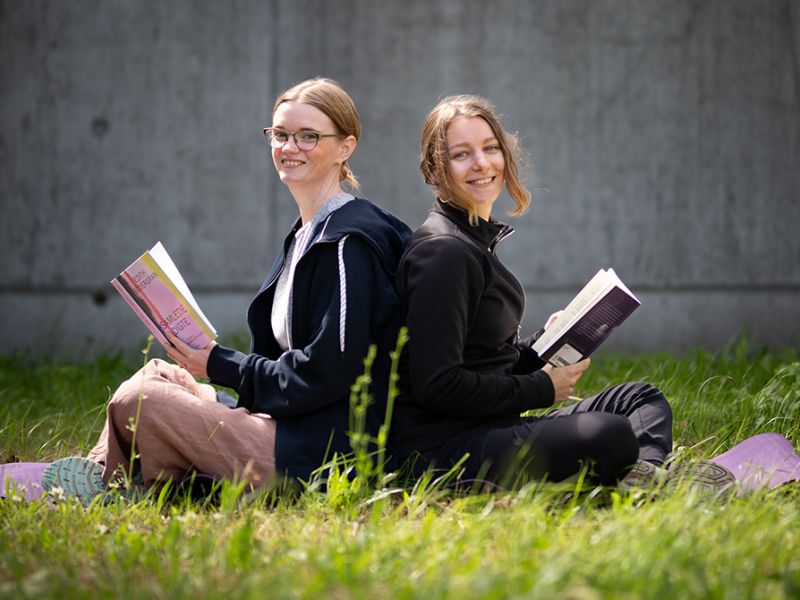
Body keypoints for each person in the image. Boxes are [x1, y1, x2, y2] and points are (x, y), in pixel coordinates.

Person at [42, 77, 412, 504]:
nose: (290, 147)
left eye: (309, 137)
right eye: (280, 134)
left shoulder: (347, 244)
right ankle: (99, 478)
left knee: (141, 399)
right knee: (158, 374)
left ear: (345, 148)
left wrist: (220, 363)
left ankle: (107, 485)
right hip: (286, 422)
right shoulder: (307, 233)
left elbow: (331, 372)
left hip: (318, 454)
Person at [390, 95, 733, 490]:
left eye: (490, 148)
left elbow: (482, 362)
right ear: (435, 169)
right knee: (608, 434)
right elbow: (439, 385)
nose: (482, 163)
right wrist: (543, 387)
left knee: (641, 399)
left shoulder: (470, 241)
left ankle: (643, 480)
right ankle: (645, 477)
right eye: (462, 154)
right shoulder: (442, 253)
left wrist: (540, 347)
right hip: (448, 451)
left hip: (491, 424)